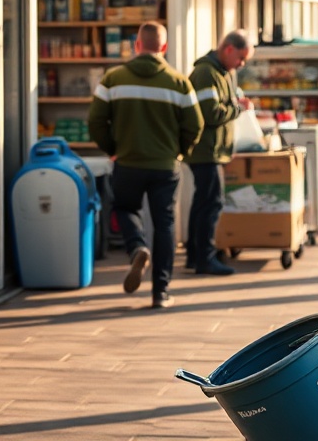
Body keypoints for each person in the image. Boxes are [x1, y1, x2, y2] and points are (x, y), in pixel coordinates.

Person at [88, 22, 204, 309]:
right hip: (165, 166)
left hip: (127, 163)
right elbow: (195, 125)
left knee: (125, 208)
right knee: (165, 223)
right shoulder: (179, 82)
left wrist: (113, 150)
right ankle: (160, 292)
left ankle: (137, 247)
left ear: (137, 45)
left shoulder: (113, 79)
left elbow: (95, 121)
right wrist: (179, 151)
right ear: (164, 47)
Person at [184, 30, 255, 276]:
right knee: (211, 204)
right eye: (241, 58)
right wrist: (238, 108)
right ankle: (204, 258)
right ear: (228, 49)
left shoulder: (222, 72)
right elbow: (211, 113)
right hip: (206, 150)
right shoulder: (206, 73)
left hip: (213, 149)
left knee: (203, 203)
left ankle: (195, 257)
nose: (242, 64)